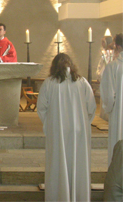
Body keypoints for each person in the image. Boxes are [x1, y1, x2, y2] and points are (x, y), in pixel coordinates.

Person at [37, 53, 96, 202]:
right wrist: (82, 123)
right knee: (78, 165)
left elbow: (41, 108)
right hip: (79, 132)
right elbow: (92, 108)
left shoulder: (49, 83)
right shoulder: (82, 82)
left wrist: (51, 124)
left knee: (58, 164)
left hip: (57, 131)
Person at [101, 33, 123, 166]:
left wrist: (109, 110)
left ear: (118, 47)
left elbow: (108, 96)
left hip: (119, 115)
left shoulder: (112, 67)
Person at [97, 36, 114, 121]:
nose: (102, 44)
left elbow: (108, 64)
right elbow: (100, 65)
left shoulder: (111, 53)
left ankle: (107, 116)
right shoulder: (103, 53)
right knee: (103, 96)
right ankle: (103, 116)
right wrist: (98, 74)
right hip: (103, 76)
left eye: (103, 42)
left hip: (108, 76)